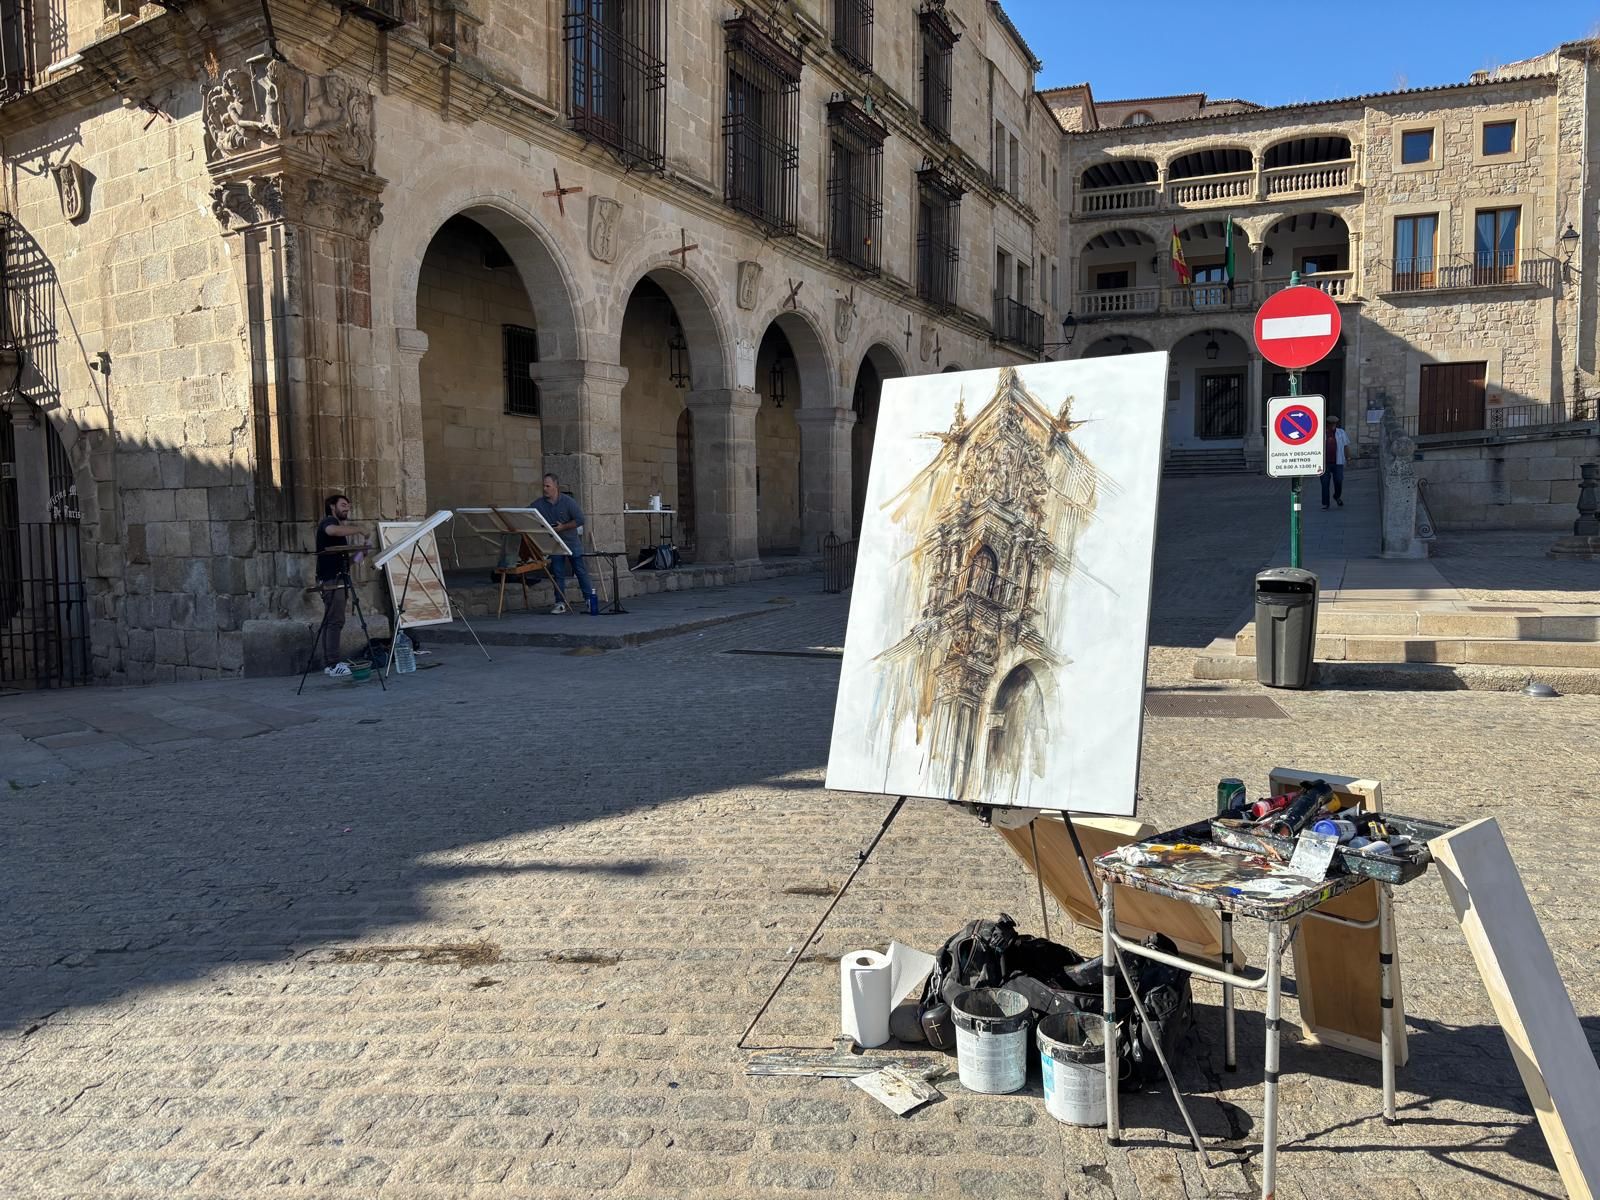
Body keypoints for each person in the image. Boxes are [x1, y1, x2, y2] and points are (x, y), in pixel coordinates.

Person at [315, 493, 370, 676]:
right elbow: (332, 531)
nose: (347, 508)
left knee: (332, 620)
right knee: (335, 620)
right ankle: (332, 664)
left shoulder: (339, 528)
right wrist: (359, 529)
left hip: (340, 578)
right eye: (344, 504)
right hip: (332, 580)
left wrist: (361, 554)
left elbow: (345, 561)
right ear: (332, 506)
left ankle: (330, 663)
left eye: (348, 505)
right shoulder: (329, 522)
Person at [532, 473, 595, 614]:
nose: (545, 489)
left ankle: (589, 600)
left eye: (548, 486)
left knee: (580, 571)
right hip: (555, 544)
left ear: (556, 487)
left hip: (572, 542)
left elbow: (580, 519)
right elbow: (528, 513)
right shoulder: (539, 504)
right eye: (543, 486)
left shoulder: (568, 502)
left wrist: (563, 527)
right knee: (558, 573)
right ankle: (560, 602)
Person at [1321, 415, 1350, 510]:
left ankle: (1337, 496)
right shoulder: (1321, 433)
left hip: (1338, 462)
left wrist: (1348, 457)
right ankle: (1325, 503)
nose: (1333, 425)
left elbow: (1346, 445)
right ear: (1327, 424)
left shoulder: (1341, 433)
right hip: (1324, 463)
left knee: (1339, 481)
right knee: (1325, 483)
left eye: (1335, 423)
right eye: (1331, 423)